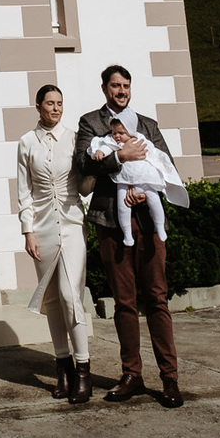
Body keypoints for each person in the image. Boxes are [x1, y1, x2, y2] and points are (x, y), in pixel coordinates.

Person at [75, 65, 185, 407]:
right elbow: (82, 163)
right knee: (124, 300)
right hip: (111, 220)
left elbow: (168, 167)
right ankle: (131, 375)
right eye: (115, 85)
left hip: (148, 222)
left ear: (130, 89)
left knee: (156, 297)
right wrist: (119, 156)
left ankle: (170, 379)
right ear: (105, 88)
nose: (120, 91)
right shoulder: (90, 123)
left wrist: (145, 188)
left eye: (125, 86)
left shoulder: (148, 125)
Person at [17, 83, 94, 404]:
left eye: (60, 103)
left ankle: (82, 369)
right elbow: (24, 190)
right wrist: (28, 231)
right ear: (38, 107)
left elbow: (86, 185)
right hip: (42, 230)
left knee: (69, 295)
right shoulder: (26, 143)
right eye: (50, 103)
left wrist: (102, 166)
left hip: (73, 224)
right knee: (50, 299)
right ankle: (61, 367)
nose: (56, 108)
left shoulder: (76, 139)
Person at [88, 118, 187, 245]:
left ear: (130, 132)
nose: (116, 136)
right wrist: (100, 151)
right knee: (123, 207)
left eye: (121, 133)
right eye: (114, 133)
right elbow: (106, 146)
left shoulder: (140, 139)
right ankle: (127, 235)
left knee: (155, 201)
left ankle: (160, 227)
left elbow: (153, 152)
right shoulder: (114, 142)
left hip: (145, 179)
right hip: (123, 180)